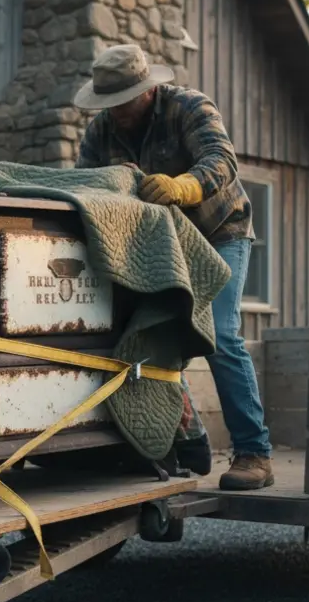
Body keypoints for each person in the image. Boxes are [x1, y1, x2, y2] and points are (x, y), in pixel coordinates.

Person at [72, 44, 275, 491]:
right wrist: (114, 182)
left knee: (219, 333)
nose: (116, 113)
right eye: (108, 105)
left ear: (148, 90)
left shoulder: (189, 107)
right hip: (159, 247)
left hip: (220, 232)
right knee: (149, 337)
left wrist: (184, 186)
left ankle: (254, 453)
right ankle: (186, 439)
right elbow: (82, 186)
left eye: (123, 102)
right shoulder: (101, 132)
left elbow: (222, 160)